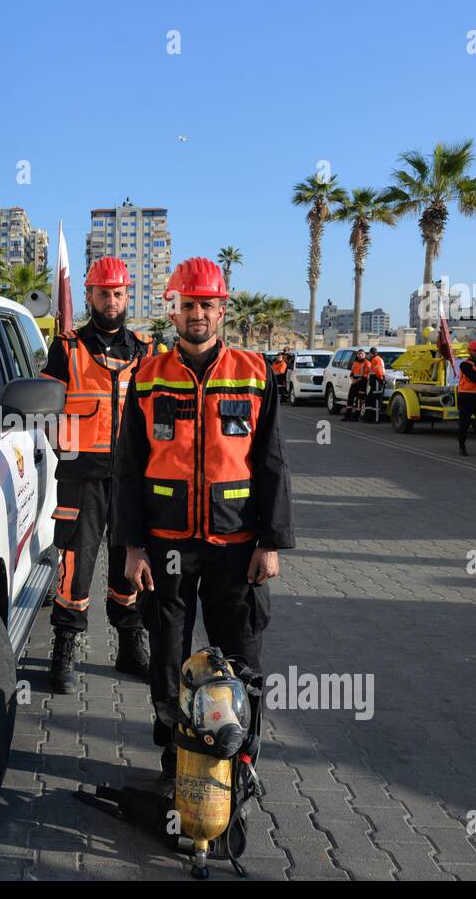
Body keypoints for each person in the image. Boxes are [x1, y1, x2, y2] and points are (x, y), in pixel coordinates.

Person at [114, 257, 295, 794]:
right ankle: (176, 755)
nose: (198, 313)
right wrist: (131, 546)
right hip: (166, 545)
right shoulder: (147, 376)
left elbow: (272, 462)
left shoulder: (255, 371)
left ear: (222, 308)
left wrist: (271, 541)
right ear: (174, 309)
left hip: (236, 545)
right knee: (169, 653)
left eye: (207, 305)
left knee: (242, 655)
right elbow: (127, 467)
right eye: (188, 304)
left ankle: (240, 762)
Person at [41, 256, 155, 693]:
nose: (112, 300)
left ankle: (130, 645)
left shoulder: (147, 350)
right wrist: (63, 450)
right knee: (76, 562)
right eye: (104, 292)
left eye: (119, 293)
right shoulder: (66, 347)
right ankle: (64, 648)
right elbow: (43, 404)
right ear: (89, 295)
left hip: (133, 480)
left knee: (131, 564)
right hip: (81, 476)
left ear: (128, 296)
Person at [343, 348, 368, 421]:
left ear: (365, 355)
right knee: (350, 398)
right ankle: (347, 416)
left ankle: (356, 416)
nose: (360, 355)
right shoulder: (355, 363)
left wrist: (357, 380)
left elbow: (365, 375)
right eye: (359, 354)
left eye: (362, 354)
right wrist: (353, 379)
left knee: (359, 400)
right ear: (357, 355)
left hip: (362, 383)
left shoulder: (367, 363)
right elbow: (351, 373)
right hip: (354, 382)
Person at [363, 347, 388, 422]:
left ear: (371, 353)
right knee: (370, 399)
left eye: (369, 354)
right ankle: (369, 417)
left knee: (375, 401)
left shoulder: (376, 359)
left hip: (377, 382)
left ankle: (374, 419)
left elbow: (379, 370)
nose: (369, 355)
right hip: (376, 382)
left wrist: (381, 379)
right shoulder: (376, 359)